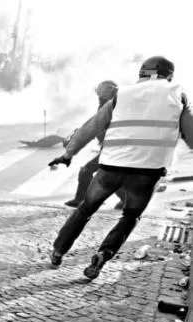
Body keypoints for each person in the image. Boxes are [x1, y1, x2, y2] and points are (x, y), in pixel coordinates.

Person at [48, 56, 193, 280]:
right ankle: (103, 255)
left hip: (111, 167)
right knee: (130, 216)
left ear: (142, 73)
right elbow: (191, 133)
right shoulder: (178, 95)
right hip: (147, 172)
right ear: (169, 75)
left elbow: (91, 126)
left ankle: (58, 251)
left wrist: (68, 154)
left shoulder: (122, 94)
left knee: (86, 209)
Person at [63, 80, 125, 210]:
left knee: (90, 172)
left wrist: (77, 139)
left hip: (113, 149)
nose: (99, 96)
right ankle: (124, 200)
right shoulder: (112, 106)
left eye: (101, 93)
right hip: (112, 148)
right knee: (107, 176)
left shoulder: (112, 107)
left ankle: (80, 200)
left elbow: (96, 128)